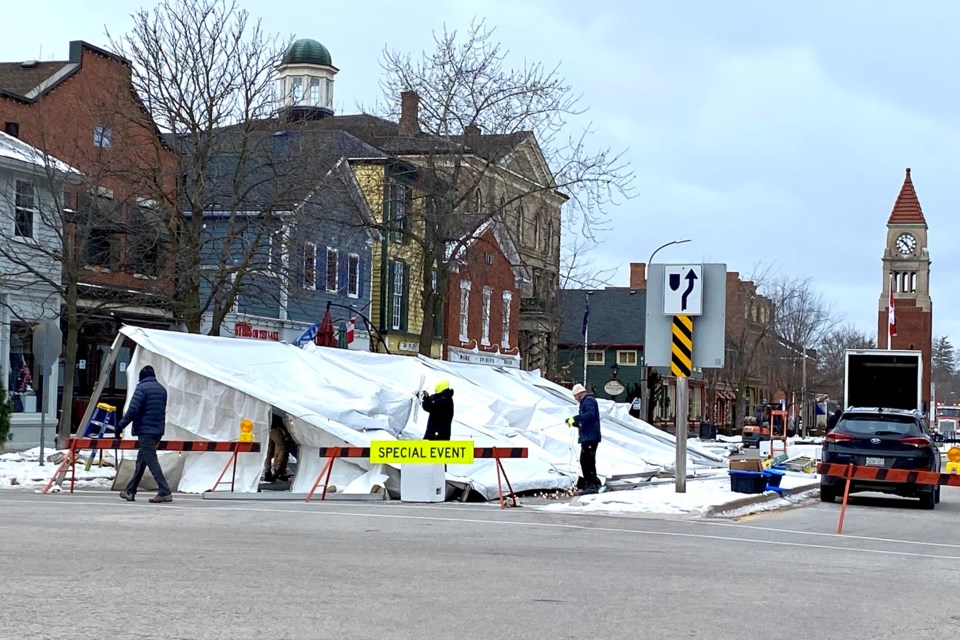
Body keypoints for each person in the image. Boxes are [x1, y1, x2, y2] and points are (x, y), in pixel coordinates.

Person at [118, 365, 172, 503]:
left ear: (141, 377)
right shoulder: (162, 390)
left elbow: (133, 409)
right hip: (157, 430)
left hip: (145, 430)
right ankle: (130, 491)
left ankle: (164, 491)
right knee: (141, 462)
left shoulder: (141, 388)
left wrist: (121, 425)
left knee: (151, 460)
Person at [567, 383, 602, 494]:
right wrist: (574, 423)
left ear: (580, 393)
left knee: (586, 461)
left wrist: (575, 418)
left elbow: (590, 415)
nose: (575, 399)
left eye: (575, 396)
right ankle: (593, 482)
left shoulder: (588, 401)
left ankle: (591, 484)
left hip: (590, 437)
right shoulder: (585, 402)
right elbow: (586, 421)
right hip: (588, 436)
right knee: (587, 460)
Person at [264, 414, 290, 482]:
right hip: (274, 428)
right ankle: (278, 469)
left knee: (270, 450)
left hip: (267, 429)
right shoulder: (277, 412)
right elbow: (280, 423)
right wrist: (286, 431)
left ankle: (267, 471)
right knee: (281, 447)